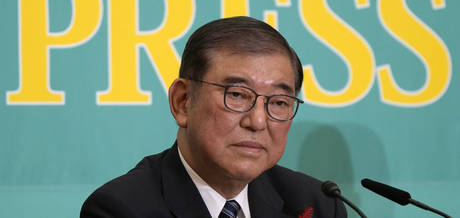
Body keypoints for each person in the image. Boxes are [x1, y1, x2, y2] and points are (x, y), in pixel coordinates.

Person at [80, 16, 347, 218]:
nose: (256, 121)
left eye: (278, 102)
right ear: (182, 102)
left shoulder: (318, 205)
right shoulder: (122, 209)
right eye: (237, 95)